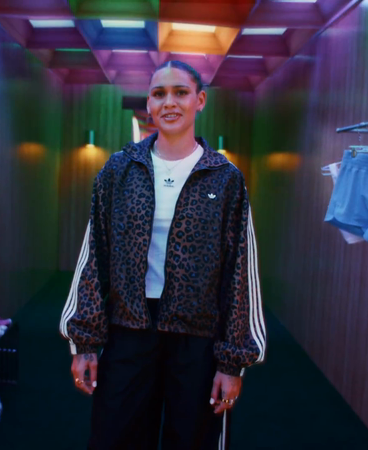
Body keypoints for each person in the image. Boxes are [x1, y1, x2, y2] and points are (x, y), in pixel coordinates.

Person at [59, 60, 267, 449]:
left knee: (191, 440)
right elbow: (94, 257)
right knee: (113, 437)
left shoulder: (225, 178)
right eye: (159, 94)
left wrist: (232, 362)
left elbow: (240, 273)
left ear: (199, 100)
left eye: (180, 92)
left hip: (197, 338)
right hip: (130, 329)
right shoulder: (120, 170)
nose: (169, 102)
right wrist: (84, 341)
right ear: (149, 104)